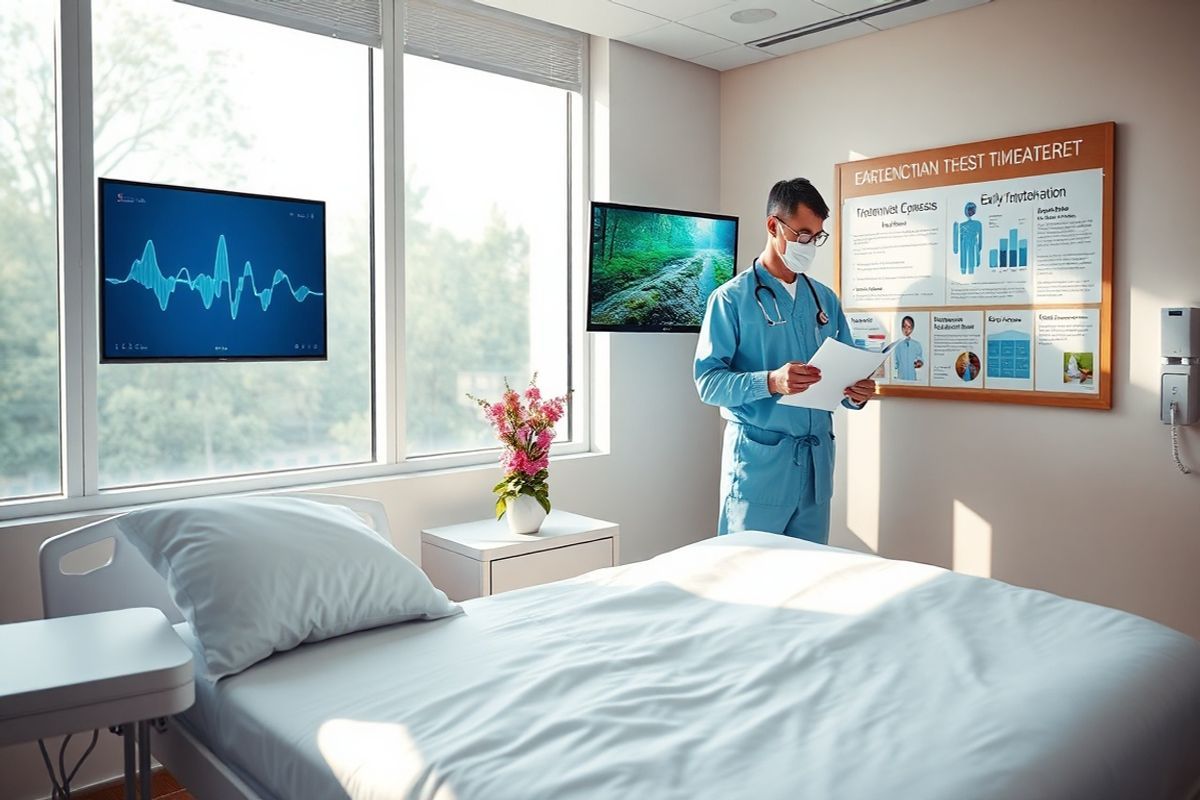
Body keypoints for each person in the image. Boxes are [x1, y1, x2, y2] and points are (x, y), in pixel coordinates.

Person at [694, 178, 875, 545]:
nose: (810, 245)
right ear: (773, 225)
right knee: (745, 579)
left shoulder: (824, 299)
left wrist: (857, 392)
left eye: (817, 236)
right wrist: (772, 381)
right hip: (760, 470)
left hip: (814, 471)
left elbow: (845, 375)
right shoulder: (730, 300)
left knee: (807, 582)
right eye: (803, 234)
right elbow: (708, 383)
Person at [893, 315, 924, 381]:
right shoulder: (897, 345)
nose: (906, 329)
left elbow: (920, 359)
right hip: (900, 378)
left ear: (912, 328)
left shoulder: (916, 345)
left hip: (912, 378)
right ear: (901, 327)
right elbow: (894, 363)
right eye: (904, 326)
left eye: (909, 327)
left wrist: (919, 363)